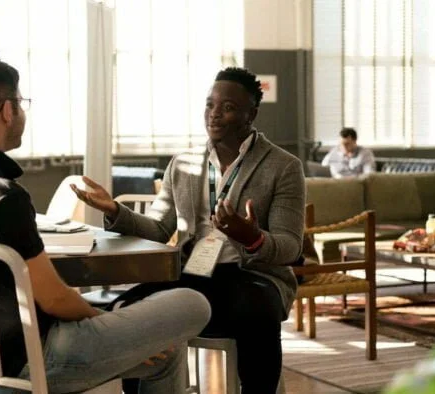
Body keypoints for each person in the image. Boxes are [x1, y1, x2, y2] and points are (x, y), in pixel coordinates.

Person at [0, 55, 211, 394]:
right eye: (21, 104)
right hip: (36, 361)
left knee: (165, 355)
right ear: (7, 110)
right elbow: (55, 300)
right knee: (192, 302)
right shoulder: (5, 196)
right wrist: (107, 323)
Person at [72, 67, 305, 393]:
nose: (214, 115)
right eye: (210, 105)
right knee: (130, 312)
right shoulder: (181, 163)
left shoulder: (283, 166)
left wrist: (252, 237)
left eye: (228, 107)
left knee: (257, 313)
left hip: (253, 275)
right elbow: (157, 228)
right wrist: (113, 210)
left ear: (251, 114)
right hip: (194, 272)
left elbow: (291, 245)